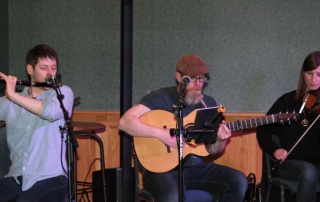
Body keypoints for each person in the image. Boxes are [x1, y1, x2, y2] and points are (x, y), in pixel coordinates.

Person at [118, 54, 248, 201]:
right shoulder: (160, 97)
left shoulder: (209, 104)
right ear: (179, 77)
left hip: (196, 168)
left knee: (238, 181)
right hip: (162, 171)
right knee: (173, 197)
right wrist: (161, 134)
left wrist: (220, 139)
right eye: (192, 79)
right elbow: (125, 122)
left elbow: (212, 150)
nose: (199, 84)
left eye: (201, 78)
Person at [0, 44, 74, 202]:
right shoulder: (8, 102)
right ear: (30, 69)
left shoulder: (62, 94)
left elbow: (49, 112)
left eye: (53, 68)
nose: (50, 74)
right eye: (44, 68)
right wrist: (11, 96)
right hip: (16, 178)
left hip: (51, 178)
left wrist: (13, 96)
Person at [257, 51, 320, 202]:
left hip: (316, 162)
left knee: (312, 169)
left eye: (319, 75)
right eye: (310, 73)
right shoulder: (287, 101)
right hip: (289, 164)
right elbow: (263, 129)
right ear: (303, 74)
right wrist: (274, 149)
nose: (314, 80)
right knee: (309, 171)